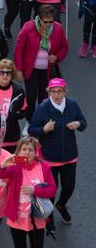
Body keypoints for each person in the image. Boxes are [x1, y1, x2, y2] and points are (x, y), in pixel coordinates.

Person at [0, 136, 56, 248]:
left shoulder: (44, 167)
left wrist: (35, 190)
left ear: (36, 152)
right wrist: (5, 162)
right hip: (17, 219)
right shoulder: (15, 168)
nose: (27, 152)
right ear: (19, 151)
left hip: (37, 219)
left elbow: (52, 189)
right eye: (24, 149)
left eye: (30, 150)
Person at [28, 77, 87, 226]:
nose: (56, 95)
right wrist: (44, 130)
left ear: (65, 91)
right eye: (53, 91)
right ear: (48, 92)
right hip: (50, 158)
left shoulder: (72, 105)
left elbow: (84, 123)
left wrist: (78, 124)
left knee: (69, 187)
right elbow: (31, 130)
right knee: (51, 191)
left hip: (70, 156)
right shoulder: (43, 108)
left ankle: (61, 205)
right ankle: (49, 217)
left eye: (59, 91)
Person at [13, 4, 69, 118]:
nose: (48, 24)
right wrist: (18, 70)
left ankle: (41, 120)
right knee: (31, 96)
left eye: (51, 22)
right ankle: (29, 120)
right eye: (46, 22)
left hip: (48, 70)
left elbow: (64, 47)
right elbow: (19, 49)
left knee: (44, 97)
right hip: (31, 69)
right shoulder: (28, 27)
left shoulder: (58, 28)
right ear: (39, 19)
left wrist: (56, 57)